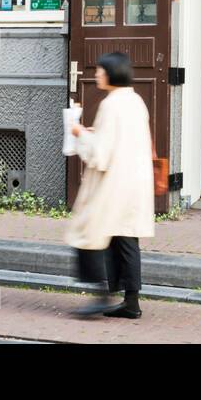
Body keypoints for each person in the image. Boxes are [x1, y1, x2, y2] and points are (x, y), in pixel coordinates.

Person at [65, 51, 156, 320]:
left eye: (100, 71)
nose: (96, 75)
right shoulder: (136, 100)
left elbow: (100, 155)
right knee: (126, 239)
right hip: (134, 182)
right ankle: (131, 302)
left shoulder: (110, 104)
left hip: (112, 184)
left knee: (88, 232)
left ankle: (100, 294)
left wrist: (79, 132)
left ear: (112, 73)